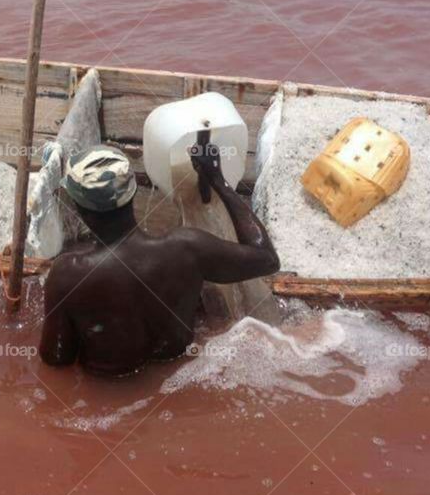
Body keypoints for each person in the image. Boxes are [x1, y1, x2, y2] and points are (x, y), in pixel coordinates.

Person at [40, 143, 279, 376]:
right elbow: (266, 259)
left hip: (109, 393)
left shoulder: (68, 274)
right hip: (181, 374)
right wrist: (219, 181)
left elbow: (56, 360)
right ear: (133, 192)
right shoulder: (187, 248)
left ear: (79, 208)